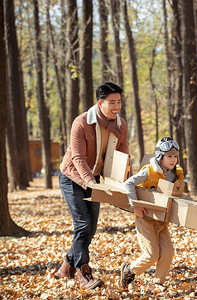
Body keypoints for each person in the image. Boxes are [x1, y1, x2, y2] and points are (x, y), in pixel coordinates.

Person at [54, 82, 129, 290]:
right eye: (112, 102)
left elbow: (123, 157)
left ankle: (65, 267)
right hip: (72, 177)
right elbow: (78, 158)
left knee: (91, 229)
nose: (116, 107)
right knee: (82, 225)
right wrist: (90, 183)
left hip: (94, 180)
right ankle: (83, 273)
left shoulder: (120, 125)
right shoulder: (81, 122)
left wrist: (127, 183)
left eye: (119, 102)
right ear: (100, 103)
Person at [120, 137, 184, 289]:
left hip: (162, 220)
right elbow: (128, 184)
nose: (173, 159)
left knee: (168, 253)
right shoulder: (149, 171)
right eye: (169, 156)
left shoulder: (176, 173)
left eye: (175, 156)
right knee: (151, 255)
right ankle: (129, 270)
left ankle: (158, 283)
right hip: (146, 219)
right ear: (160, 156)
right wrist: (135, 205)